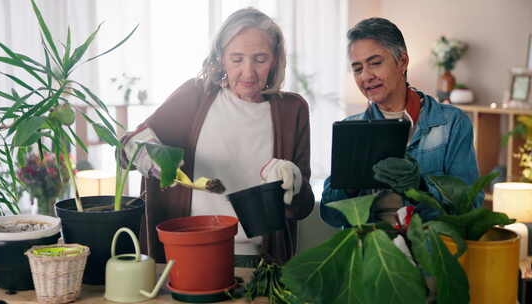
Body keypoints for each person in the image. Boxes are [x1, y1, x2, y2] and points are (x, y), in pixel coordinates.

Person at [120, 8, 314, 266]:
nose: (248, 72)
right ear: (220, 58)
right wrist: (147, 155)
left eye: (260, 58)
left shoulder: (292, 110)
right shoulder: (195, 96)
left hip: (257, 261)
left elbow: (302, 208)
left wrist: (295, 182)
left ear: (275, 59)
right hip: (187, 251)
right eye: (236, 59)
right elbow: (126, 151)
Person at [320, 17, 480, 228]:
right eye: (357, 69)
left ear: (402, 61)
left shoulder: (452, 123)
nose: (366, 76)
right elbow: (330, 214)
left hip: (432, 254)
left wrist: (421, 188)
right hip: (373, 254)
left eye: (375, 63)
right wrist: (349, 185)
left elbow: (470, 207)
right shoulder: (351, 129)